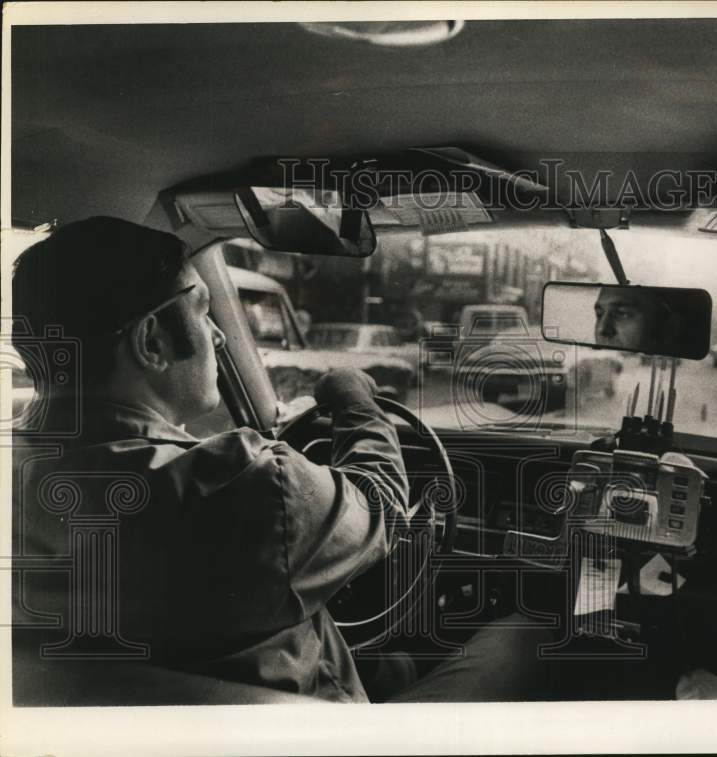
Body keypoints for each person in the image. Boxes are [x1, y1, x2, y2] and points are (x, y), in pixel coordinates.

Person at [11, 217, 549, 703]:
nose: (219, 334)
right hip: (328, 733)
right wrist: (356, 401)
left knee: (391, 661)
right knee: (529, 629)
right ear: (152, 341)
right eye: (203, 310)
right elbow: (380, 503)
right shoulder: (246, 482)